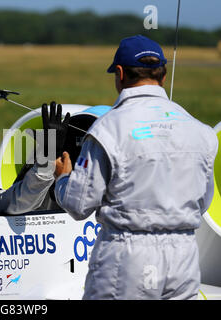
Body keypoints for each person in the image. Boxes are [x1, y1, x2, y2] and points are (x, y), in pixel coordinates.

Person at [54, 35, 218, 299]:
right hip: (184, 258)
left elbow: (78, 204)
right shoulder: (202, 133)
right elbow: (203, 203)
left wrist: (63, 178)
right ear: (163, 77)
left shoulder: (108, 128)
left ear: (119, 74)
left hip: (127, 258)